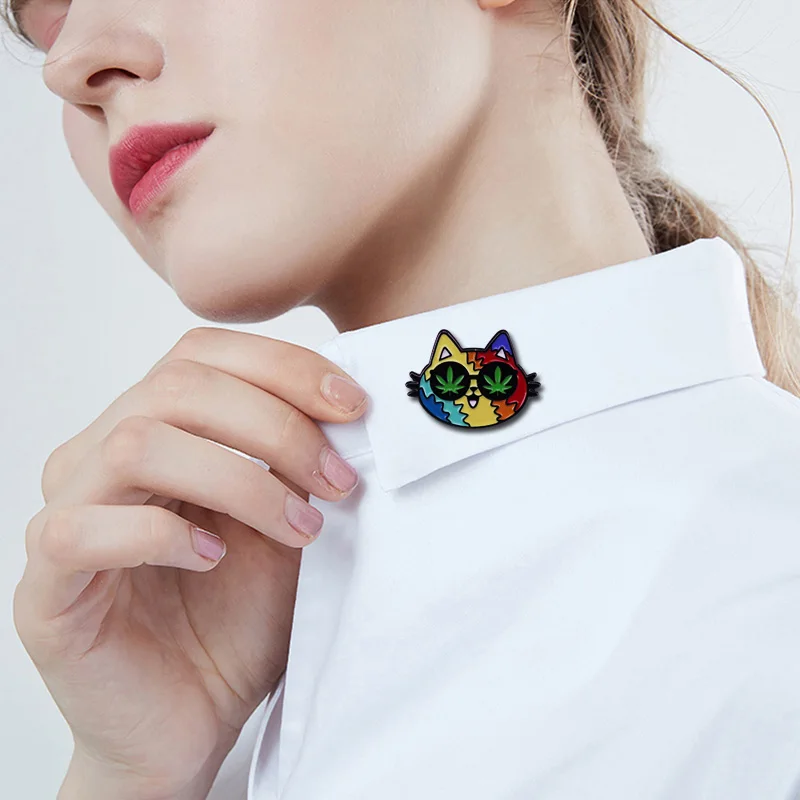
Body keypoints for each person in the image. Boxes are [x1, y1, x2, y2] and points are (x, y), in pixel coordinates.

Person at [5, 1, 800, 798]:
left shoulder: (762, 585)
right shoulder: (212, 666)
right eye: (47, 29)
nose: (69, 65)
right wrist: (131, 776)